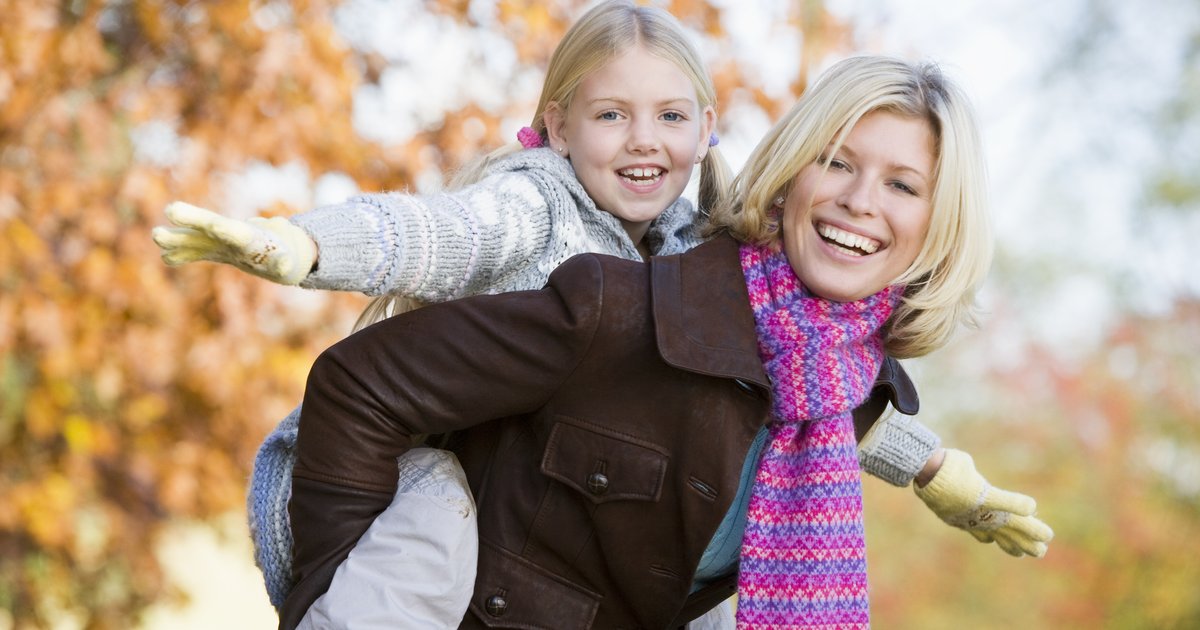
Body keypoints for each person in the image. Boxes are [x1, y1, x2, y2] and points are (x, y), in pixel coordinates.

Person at [282, 54, 1054, 629]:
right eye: (838, 162)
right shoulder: (621, 309)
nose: (859, 202)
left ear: (936, 223)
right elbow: (359, 384)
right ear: (791, 174)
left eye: (902, 185)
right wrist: (336, 587)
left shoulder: (843, 394)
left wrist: (939, 473)